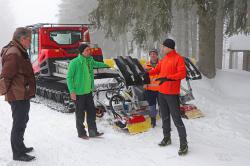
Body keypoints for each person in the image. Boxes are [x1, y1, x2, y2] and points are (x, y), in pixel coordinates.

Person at [0, 27, 36, 161]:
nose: (30, 43)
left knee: (23, 120)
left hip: (22, 93)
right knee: (19, 123)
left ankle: (20, 146)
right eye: (29, 40)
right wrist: (7, 93)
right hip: (18, 95)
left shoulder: (19, 50)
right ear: (22, 39)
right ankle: (18, 153)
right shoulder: (14, 53)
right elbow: (5, 76)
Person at [148, 39, 188, 155]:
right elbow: (156, 70)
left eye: (163, 47)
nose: (162, 49)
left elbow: (182, 74)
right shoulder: (164, 59)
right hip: (161, 92)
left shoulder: (178, 58)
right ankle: (167, 138)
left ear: (169, 47)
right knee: (164, 117)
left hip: (172, 94)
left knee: (176, 119)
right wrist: (145, 72)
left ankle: (184, 144)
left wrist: (168, 78)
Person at [67, 44, 109, 139]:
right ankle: (81, 133)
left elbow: (97, 64)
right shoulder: (75, 62)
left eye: (89, 50)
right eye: (87, 50)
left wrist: (108, 65)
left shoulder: (90, 60)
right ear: (82, 52)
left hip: (88, 91)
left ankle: (93, 132)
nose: (89, 51)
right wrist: (72, 91)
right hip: (78, 93)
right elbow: (69, 78)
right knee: (80, 114)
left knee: (91, 112)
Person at [144, 49, 160, 128]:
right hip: (150, 89)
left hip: (161, 89)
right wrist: (144, 84)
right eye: (151, 54)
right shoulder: (146, 65)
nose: (153, 55)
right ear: (149, 55)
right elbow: (143, 76)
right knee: (152, 106)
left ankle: (165, 121)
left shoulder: (162, 64)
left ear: (157, 55)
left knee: (163, 106)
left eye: (154, 54)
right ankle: (153, 121)